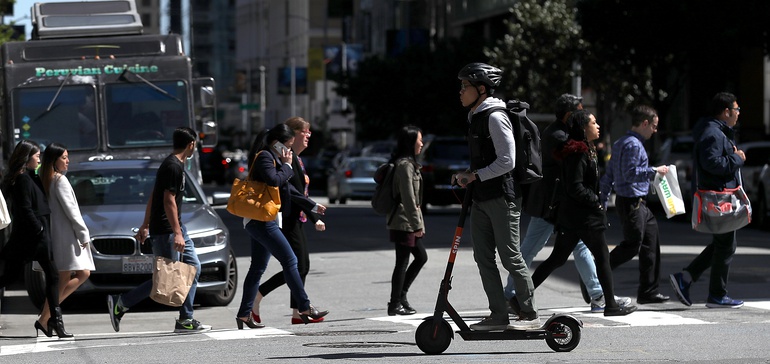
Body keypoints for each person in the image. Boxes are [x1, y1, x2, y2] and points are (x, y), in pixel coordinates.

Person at [509, 93, 630, 313]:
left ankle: (598, 296)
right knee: (533, 249)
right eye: (591, 121)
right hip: (560, 207)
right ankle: (513, 295)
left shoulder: (580, 145)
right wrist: (596, 202)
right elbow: (575, 184)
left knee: (563, 256)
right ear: (577, 122)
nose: (596, 124)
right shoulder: (569, 144)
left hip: (569, 211)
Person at [453, 62, 539, 331]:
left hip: (503, 197)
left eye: (464, 86)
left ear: (480, 89)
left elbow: (507, 161)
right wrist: (467, 174)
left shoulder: (495, 116)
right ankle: (498, 314)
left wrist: (475, 175)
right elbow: (485, 159)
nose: (460, 91)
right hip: (481, 197)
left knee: (511, 257)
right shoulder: (474, 115)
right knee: (483, 258)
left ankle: (530, 314)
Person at [107, 127, 210, 333]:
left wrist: (145, 225)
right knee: (166, 278)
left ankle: (185, 319)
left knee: (193, 267)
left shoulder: (174, 165)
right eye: (195, 145)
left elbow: (154, 197)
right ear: (191, 144)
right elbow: (167, 200)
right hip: (167, 231)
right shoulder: (172, 166)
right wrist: (176, 232)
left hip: (175, 228)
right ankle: (122, 302)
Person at [236, 124, 327, 329]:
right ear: (277, 142)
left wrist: (312, 205)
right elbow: (274, 180)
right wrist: (286, 165)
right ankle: (304, 307)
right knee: (291, 260)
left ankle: (244, 314)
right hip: (261, 221)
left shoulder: (275, 159)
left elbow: (288, 190)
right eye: (287, 144)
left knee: (258, 267)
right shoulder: (265, 157)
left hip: (262, 219)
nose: (289, 150)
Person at [669, 92, 746, 309]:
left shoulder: (717, 132)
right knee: (726, 245)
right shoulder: (713, 133)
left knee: (723, 244)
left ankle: (686, 278)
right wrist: (737, 158)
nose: (739, 114)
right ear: (726, 112)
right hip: (719, 199)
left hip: (721, 197)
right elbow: (712, 164)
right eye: (737, 109)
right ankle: (716, 295)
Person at [599, 105, 670, 304]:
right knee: (632, 245)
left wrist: (604, 201)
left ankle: (648, 291)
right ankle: (598, 275)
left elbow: (610, 174)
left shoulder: (622, 142)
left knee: (651, 243)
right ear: (645, 123)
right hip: (632, 202)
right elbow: (629, 174)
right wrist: (654, 171)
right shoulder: (633, 145)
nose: (655, 131)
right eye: (654, 126)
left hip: (637, 203)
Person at [0, 140, 71, 338]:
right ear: (27, 157)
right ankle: (53, 322)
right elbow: (24, 208)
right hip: (31, 236)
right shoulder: (22, 179)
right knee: (14, 277)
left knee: (50, 276)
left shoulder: (31, 176)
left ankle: (52, 321)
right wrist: (39, 228)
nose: (39, 159)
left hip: (36, 234)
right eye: (37, 155)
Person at [36, 143, 95, 330]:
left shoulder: (45, 179)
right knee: (78, 274)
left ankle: (45, 317)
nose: (68, 161)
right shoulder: (59, 180)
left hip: (56, 236)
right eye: (64, 158)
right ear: (54, 160)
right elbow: (73, 211)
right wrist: (83, 234)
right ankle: (45, 317)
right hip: (66, 237)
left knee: (68, 277)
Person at [386, 125, 427, 316]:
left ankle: (400, 297)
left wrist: (419, 223)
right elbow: (409, 198)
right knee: (402, 262)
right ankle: (395, 303)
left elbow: (415, 201)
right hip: (403, 221)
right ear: (411, 143)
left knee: (420, 257)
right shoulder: (404, 166)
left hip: (408, 220)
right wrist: (417, 224)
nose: (422, 143)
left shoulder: (410, 164)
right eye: (419, 140)